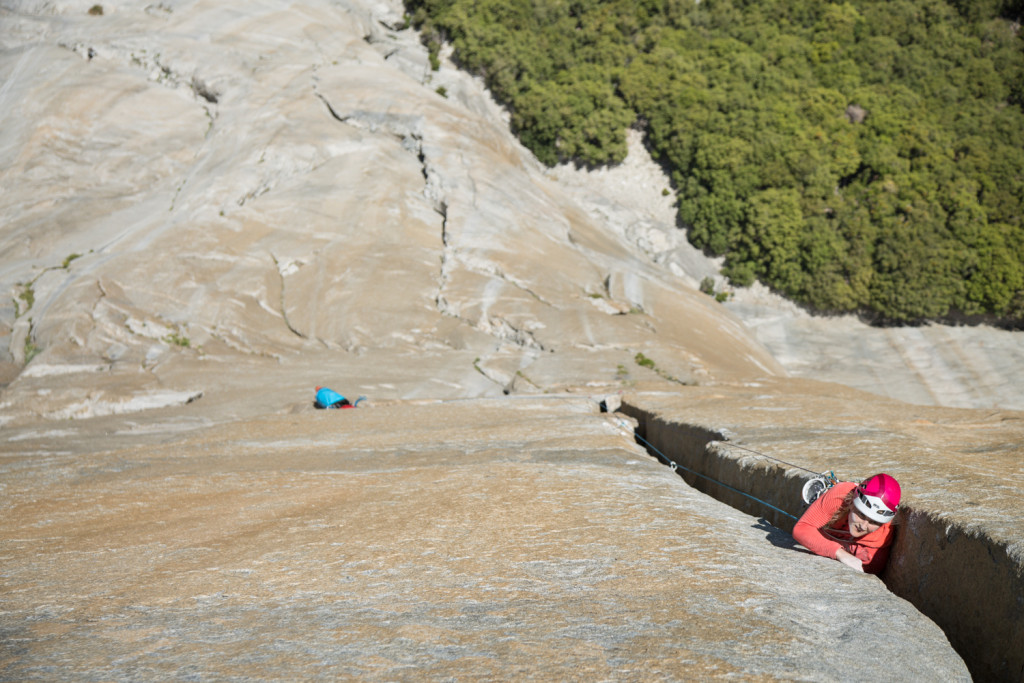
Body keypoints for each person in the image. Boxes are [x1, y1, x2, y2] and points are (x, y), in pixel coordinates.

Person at [792, 473, 901, 575]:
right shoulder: (840, 495)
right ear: (852, 503)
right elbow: (801, 529)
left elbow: (870, 570)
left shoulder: (880, 539)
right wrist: (839, 553)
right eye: (861, 514)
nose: (863, 526)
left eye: (873, 522)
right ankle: (820, 501)